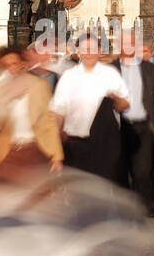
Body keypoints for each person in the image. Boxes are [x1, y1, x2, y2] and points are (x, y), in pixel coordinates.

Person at [50, 34, 131, 182]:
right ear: (78, 51)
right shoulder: (69, 76)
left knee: (102, 191)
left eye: (92, 49)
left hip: (104, 145)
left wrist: (115, 99)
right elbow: (58, 112)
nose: (88, 53)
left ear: (99, 50)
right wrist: (56, 151)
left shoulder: (110, 74)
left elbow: (125, 105)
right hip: (75, 145)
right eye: (84, 49)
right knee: (78, 193)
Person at [0, 46, 63, 175]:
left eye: (14, 63)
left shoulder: (40, 85)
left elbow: (49, 121)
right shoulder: (0, 89)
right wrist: (4, 102)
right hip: (8, 152)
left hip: (36, 149)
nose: (11, 68)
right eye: (6, 65)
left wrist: (57, 157)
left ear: (23, 63)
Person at [114, 31, 154, 215]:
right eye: (126, 43)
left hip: (143, 124)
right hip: (119, 125)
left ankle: (145, 206)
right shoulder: (111, 68)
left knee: (143, 169)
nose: (129, 46)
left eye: (132, 43)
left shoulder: (148, 68)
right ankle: (124, 206)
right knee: (121, 168)